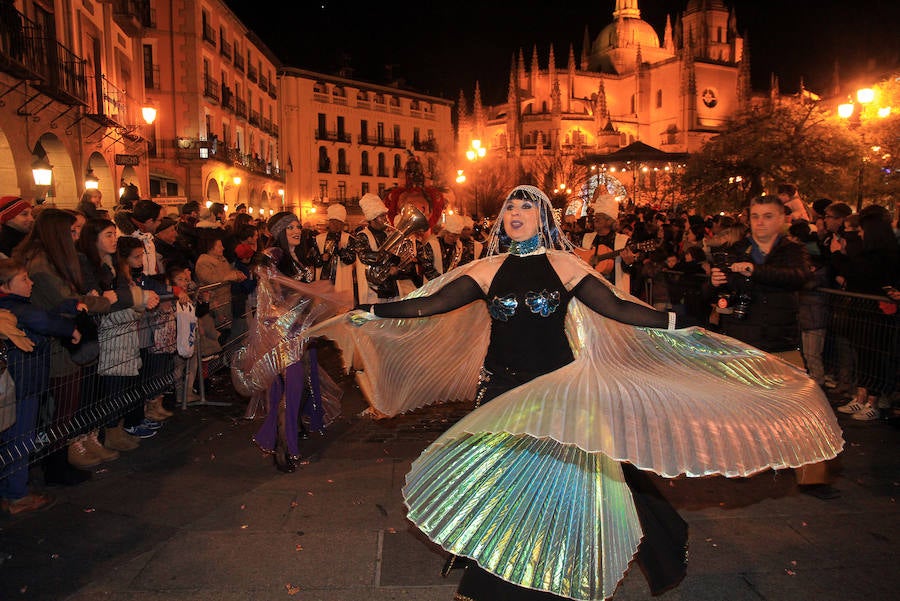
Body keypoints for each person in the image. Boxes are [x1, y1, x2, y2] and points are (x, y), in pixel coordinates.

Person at [310, 185, 843, 601]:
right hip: (501, 386)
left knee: (571, 480)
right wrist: (370, 311)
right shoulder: (486, 268)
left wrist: (676, 322)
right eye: (510, 207)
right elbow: (428, 306)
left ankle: (547, 561)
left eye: (527, 207)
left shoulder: (567, 266)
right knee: (499, 477)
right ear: (503, 220)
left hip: (555, 387)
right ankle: (492, 555)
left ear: (543, 218)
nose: (516, 213)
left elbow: (619, 309)